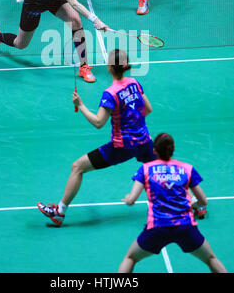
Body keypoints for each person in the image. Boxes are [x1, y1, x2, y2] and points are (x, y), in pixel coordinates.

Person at [37, 49, 155, 225]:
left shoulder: (111, 93)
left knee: (77, 167)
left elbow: (99, 122)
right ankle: (192, 203)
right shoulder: (135, 83)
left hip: (121, 147)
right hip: (144, 141)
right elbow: (148, 109)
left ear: (109, 68)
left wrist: (81, 105)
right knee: (166, 168)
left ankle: (60, 212)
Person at [118, 133, 227, 273]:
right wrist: (192, 202)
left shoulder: (145, 169)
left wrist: (127, 199)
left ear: (154, 150)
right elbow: (203, 201)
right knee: (211, 259)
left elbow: (131, 200)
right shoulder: (187, 168)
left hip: (157, 227)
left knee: (130, 258)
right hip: (185, 226)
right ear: (173, 149)